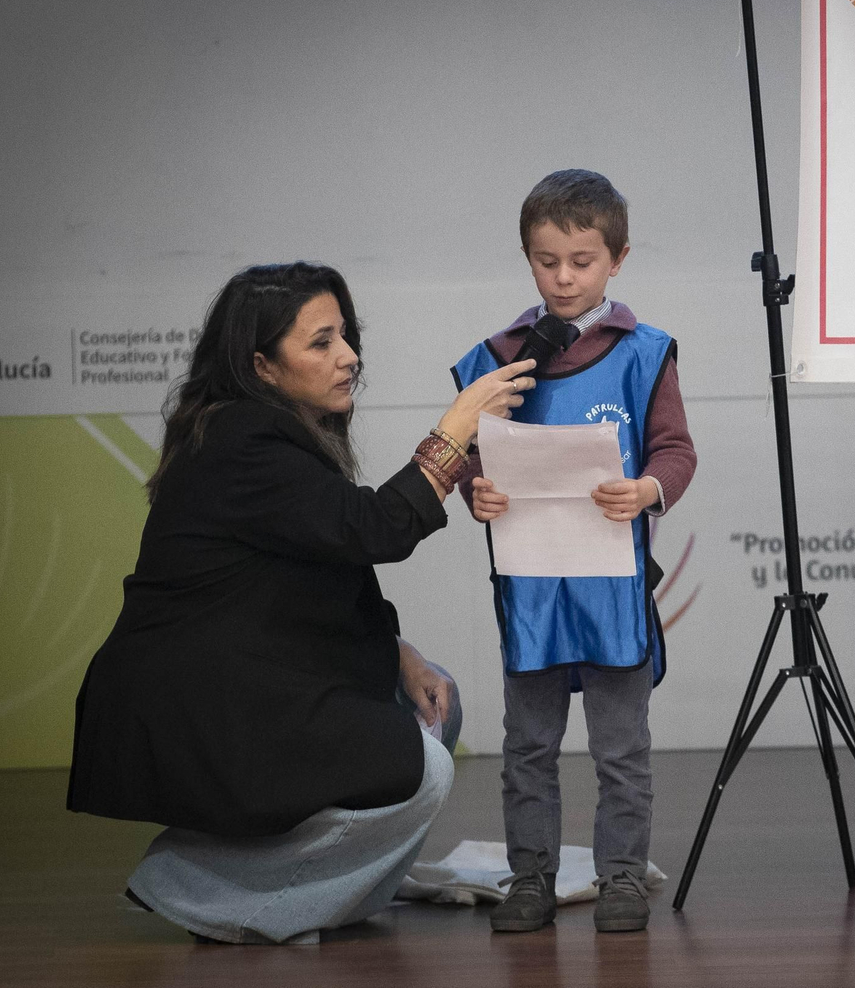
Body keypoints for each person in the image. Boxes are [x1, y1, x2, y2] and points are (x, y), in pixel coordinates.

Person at [66, 262, 535, 944]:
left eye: (345, 335)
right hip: (203, 704)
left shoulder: (267, 432)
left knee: (436, 703)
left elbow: (319, 572)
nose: (348, 357)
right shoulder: (241, 439)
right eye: (321, 342)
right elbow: (374, 529)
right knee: (426, 766)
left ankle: (330, 893)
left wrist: (399, 653)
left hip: (247, 680)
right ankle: (199, 887)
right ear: (261, 366)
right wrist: (457, 429)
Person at [449, 170, 696, 933]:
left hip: (613, 590)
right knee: (528, 747)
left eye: (582, 261)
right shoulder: (497, 357)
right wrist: (475, 489)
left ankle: (621, 877)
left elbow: (676, 450)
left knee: (622, 751)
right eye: (546, 260)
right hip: (531, 591)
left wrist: (647, 489)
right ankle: (531, 879)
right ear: (528, 256)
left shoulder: (645, 353)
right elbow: (467, 455)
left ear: (617, 259)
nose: (563, 277)